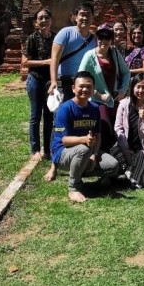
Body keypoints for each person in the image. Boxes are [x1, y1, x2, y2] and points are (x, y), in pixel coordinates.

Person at [51, 71, 121, 203]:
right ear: (73, 88)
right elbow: (64, 140)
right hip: (63, 154)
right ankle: (73, 188)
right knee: (83, 150)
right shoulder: (65, 108)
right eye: (81, 86)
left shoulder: (94, 108)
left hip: (87, 151)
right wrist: (84, 140)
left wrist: (94, 154)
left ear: (93, 89)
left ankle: (86, 176)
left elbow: (98, 136)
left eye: (89, 87)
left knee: (113, 165)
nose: (85, 89)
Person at [22, 8, 54, 161]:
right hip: (35, 79)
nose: (44, 21)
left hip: (50, 81)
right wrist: (45, 62)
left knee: (49, 116)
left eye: (46, 18)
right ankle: (35, 150)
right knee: (36, 115)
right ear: (36, 22)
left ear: (51, 21)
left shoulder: (55, 39)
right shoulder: (32, 39)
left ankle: (47, 149)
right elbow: (25, 63)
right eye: (40, 18)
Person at [48, 3, 97, 100]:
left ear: (92, 18)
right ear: (75, 17)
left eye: (88, 15)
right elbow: (55, 58)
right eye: (82, 14)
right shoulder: (65, 33)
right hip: (64, 80)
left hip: (83, 82)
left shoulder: (94, 39)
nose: (85, 18)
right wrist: (53, 81)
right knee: (63, 111)